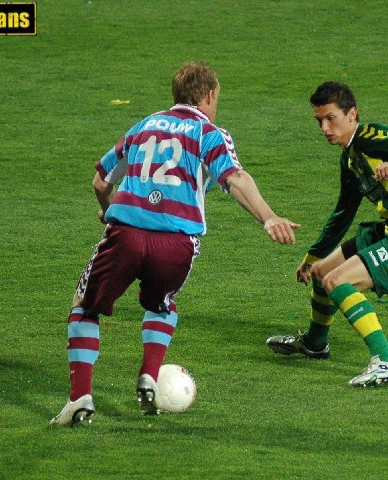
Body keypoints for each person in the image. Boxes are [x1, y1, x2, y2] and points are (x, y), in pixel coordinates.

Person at [50, 61, 300, 426]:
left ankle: (81, 400)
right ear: (210, 95)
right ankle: (149, 375)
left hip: (126, 235)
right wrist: (268, 217)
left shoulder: (142, 127)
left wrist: (108, 214)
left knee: (84, 306)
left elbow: (101, 182)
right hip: (178, 245)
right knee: (162, 304)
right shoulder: (209, 133)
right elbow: (235, 178)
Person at [267, 81, 388, 387]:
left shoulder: (371, 138)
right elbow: (343, 214)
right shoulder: (350, 158)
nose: (325, 128)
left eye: (331, 118)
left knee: (338, 281)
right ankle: (315, 343)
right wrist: (312, 258)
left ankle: (387, 361)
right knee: (323, 271)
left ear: (352, 114)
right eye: (319, 121)